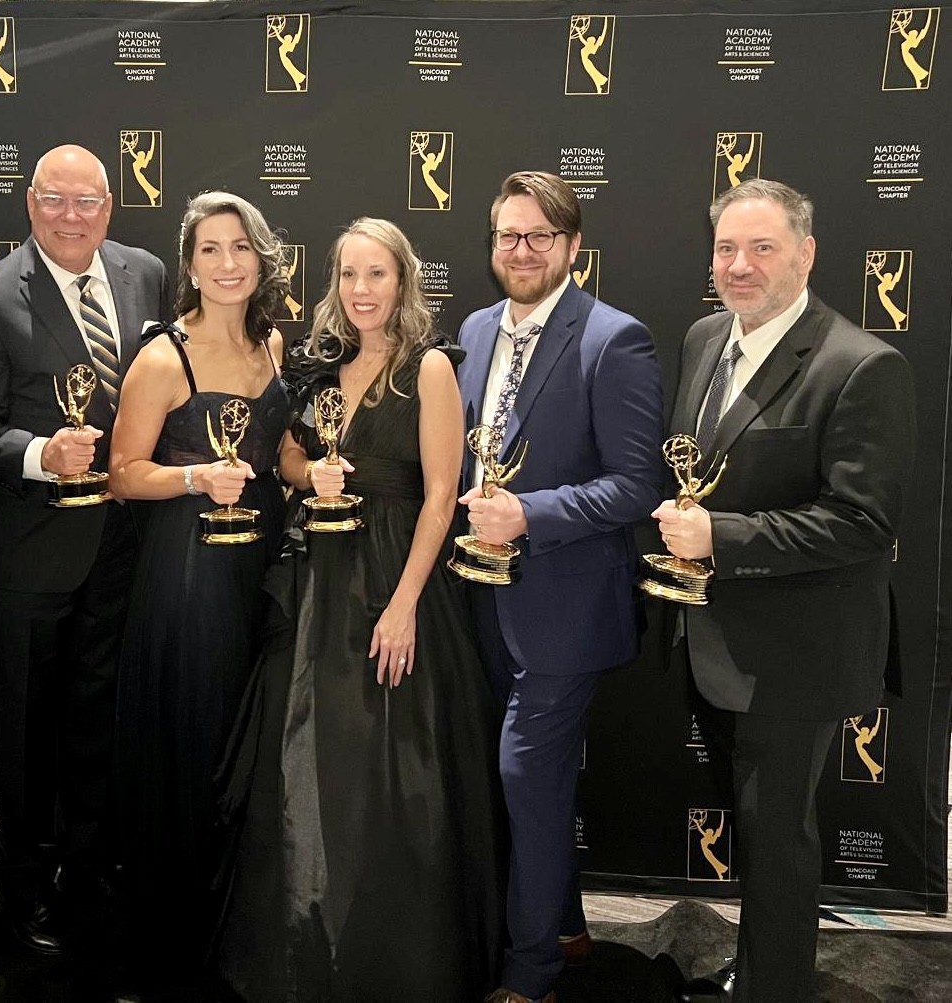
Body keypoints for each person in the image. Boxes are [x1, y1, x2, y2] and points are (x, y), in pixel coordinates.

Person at [216, 218, 504, 1001]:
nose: (362, 290)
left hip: (397, 579)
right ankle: (303, 945)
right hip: (316, 576)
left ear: (403, 281)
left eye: (377, 274)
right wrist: (313, 475)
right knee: (304, 759)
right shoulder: (316, 366)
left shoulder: (430, 370)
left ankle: (393, 956)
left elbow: (443, 496)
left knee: (393, 770)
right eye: (348, 275)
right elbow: (281, 453)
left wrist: (405, 604)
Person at [657, 179, 915, 1003]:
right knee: (754, 827)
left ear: (805, 255)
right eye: (727, 248)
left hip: (797, 654)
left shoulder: (863, 364)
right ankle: (763, 966)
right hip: (713, 640)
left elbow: (861, 523)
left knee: (777, 841)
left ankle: (775, 987)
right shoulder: (704, 338)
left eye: (762, 248)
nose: (740, 265)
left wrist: (718, 538)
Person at [0, 144, 169, 967]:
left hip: (128, 548)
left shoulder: (146, 273)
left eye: (87, 202)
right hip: (32, 550)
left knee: (100, 723)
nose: (71, 217)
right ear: (29, 203)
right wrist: (44, 454)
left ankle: (88, 868)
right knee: (26, 734)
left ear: (110, 206)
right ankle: (24, 887)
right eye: (55, 200)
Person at [456, 172, 663, 1003]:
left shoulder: (615, 339)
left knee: (525, 777)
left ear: (573, 246)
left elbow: (636, 484)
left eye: (540, 236)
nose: (522, 250)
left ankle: (531, 971)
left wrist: (528, 513)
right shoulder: (471, 329)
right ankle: (569, 928)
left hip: (565, 607)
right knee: (528, 786)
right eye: (509, 235)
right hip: (479, 598)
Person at [107, 190, 289, 993]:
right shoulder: (161, 357)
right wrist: (192, 477)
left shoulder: (275, 346)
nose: (227, 264)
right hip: (187, 580)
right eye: (210, 250)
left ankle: (234, 935)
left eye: (240, 247)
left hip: (261, 575)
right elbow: (121, 475)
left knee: (245, 754)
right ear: (189, 265)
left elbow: (278, 448)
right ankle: (173, 945)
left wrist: (310, 471)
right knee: (190, 750)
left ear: (262, 256)